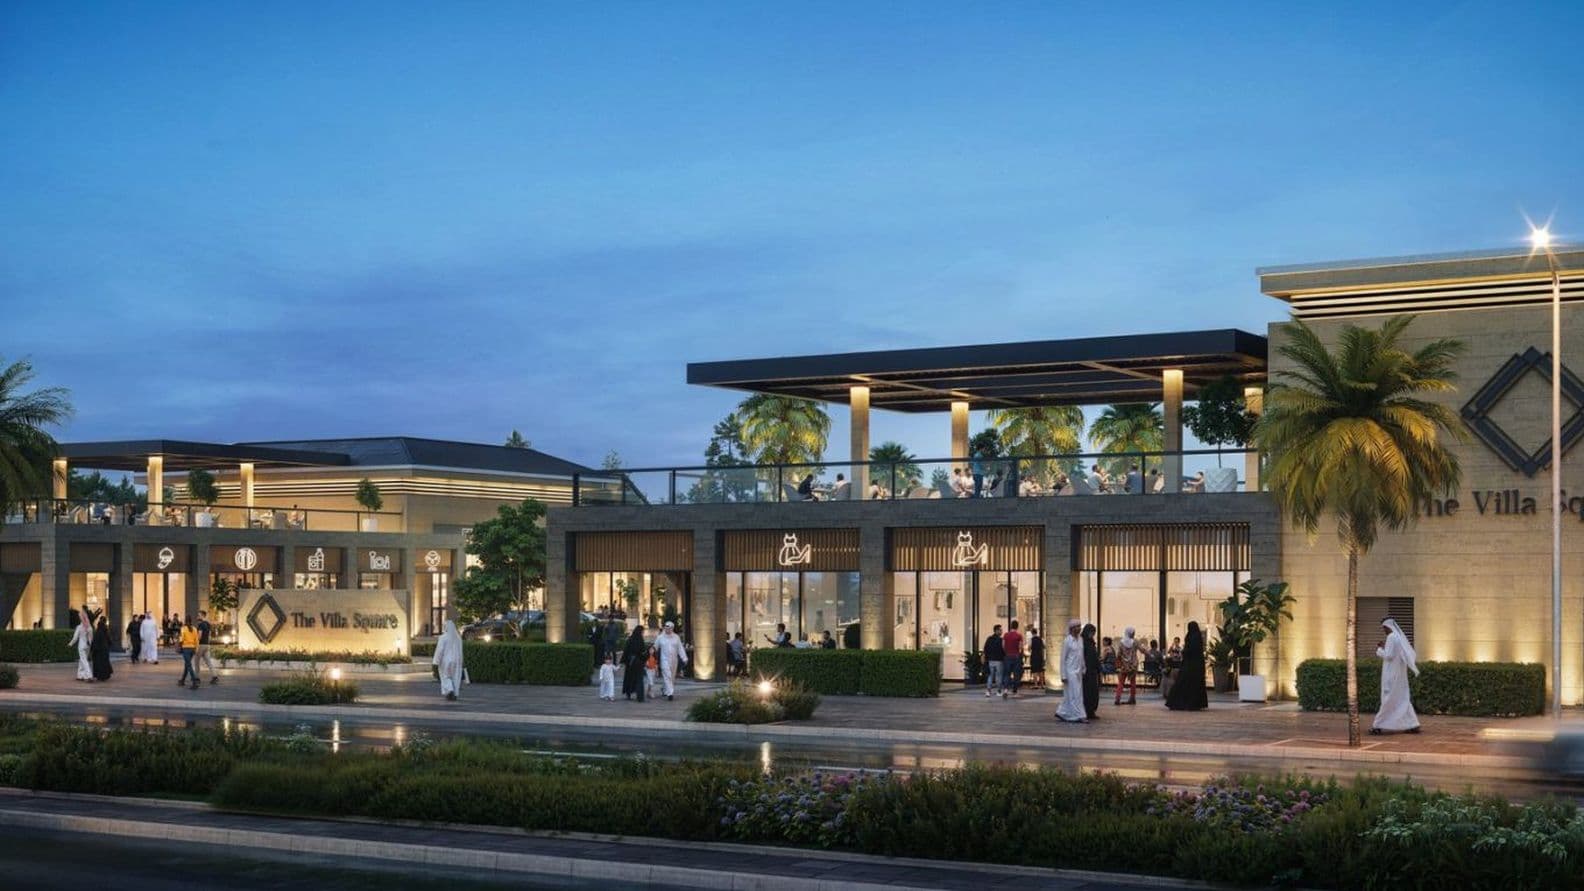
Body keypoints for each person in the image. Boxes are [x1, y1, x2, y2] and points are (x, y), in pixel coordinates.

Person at [1372, 618, 1421, 735]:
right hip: (1399, 675)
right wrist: (1385, 646)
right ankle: (1412, 724)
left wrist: (1379, 650)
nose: (1384, 630)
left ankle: (1378, 725)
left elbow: (1389, 656)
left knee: (1388, 699)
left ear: (1388, 627)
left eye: (1384, 628)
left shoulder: (1391, 637)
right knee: (1402, 699)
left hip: (1391, 675)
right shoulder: (1397, 637)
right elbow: (1394, 653)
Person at [1164, 621, 1208, 711]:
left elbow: (1188, 651)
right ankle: (1195, 704)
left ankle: (1178, 702)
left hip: (1188, 665)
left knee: (1182, 683)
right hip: (1197, 666)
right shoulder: (1198, 638)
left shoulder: (1190, 637)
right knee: (1195, 685)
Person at [1055, 619, 1087, 723]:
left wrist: (1083, 667)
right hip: (1070, 671)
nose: (1079, 629)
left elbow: (1081, 655)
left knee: (1073, 694)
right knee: (1075, 694)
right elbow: (1063, 659)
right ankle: (1079, 715)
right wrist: (1063, 675)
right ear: (1072, 628)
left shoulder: (1080, 639)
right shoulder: (1067, 641)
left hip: (1078, 671)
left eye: (1079, 626)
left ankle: (1062, 712)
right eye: (1077, 626)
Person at [654, 621, 687, 700]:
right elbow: (655, 647)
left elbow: (680, 648)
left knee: (671, 677)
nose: (667, 630)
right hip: (664, 660)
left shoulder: (676, 637)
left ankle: (665, 689)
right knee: (667, 675)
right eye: (666, 628)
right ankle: (670, 693)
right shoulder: (660, 637)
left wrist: (684, 658)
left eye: (669, 628)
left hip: (674, 660)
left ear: (672, 628)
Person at [433, 620, 464, 701]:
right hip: (457, 661)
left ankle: (450, 690)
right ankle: (455, 693)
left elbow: (440, 650)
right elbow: (460, 651)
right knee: (455, 677)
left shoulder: (443, 637)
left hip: (445, 661)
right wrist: (461, 661)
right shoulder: (458, 638)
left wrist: (436, 661)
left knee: (446, 676)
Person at [621, 626, 647, 702]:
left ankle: (628, 693)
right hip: (639, 662)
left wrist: (623, 661)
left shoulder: (630, 639)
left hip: (630, 661)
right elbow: (643, 651)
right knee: (639, 679)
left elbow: (626, 650)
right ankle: (640, 696)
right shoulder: (641, 640)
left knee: (629, 678)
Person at [1114, 626, 1139, 705]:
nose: (1134, 634)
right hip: (1133, 665)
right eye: (1133, 633)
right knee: (1133, 682)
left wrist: (1118, 663)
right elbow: (1142, 650)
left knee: (1121, 682)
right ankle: (1132, 698)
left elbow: (1118, 654)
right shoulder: (1135, 642)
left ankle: (1117, 699)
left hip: (1124, 666)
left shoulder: (1121, 643)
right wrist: (1149, 654)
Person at [1081, 624, 1101, 720]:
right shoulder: (1082, 642)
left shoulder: (1091, 642)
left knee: (1093, 692)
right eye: (1091, 632)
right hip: (1086, 672)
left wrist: (1098, 667)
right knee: (1087, 692)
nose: (1092, 634)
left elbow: (1094, 657)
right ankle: (1086, 711)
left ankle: (1091, 711)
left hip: (1092, 671)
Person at [195, 610, 218, 685]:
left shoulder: (201, 624)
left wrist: (195, 643)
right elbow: (209, 635)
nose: (198, 617)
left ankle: (197, 678)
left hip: (201, 645)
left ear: (202, 616)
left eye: (199, 615)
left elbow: (199, 636)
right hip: (207, 645)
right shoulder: (208, 624)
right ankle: (214, 676)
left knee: (196, 661)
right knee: (208, 661)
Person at [1002, 619, 1024, 696]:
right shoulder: (1019, 636)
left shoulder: (1006, 635)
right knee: (1016, 674)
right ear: (1017, 627)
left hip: (1007, 656)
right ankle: (1015, 691)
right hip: (1016, 656)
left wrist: (1007, 652)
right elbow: (1020, 647)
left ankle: (1005, 690)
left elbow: (1003, 646)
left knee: (1007, 674)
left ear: (1011, 626)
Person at [982, 624, 1005, 698]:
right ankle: (999, 691)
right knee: (999, 676)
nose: (1001, 631)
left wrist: (986, 658)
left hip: (990, 660)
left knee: (990, 676)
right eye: (1000, 630)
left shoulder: (989, 639)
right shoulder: (1001, 640)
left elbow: (985, 649)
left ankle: (988, 691)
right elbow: (1003, 650)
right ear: (996, 630)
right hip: (999, 660)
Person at [68, 612, 93, 681]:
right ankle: (80, 675)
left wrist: (70, 644)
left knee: (83, 660)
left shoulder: (79, 627)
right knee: (82, 660)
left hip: (81, 646)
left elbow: (75, 638)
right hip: (88, 646)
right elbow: (91, 638)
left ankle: (88, 675)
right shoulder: (90, 627)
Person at [177, 618, 200, 690]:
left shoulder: (183, 628)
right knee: (187, 664)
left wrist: (179, 646)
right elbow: (197, 640)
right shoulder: (195, 629)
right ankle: (182, 680)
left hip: (186, 648)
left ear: (185, 622)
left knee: (189, 665)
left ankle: (194, 681)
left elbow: (181, 639)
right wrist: (196, 649)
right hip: (192, 648)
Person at [90, 615, 114, 682]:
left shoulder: (98, 632)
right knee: (105, 663)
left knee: (99, 663)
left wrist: (92, 649)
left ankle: (100, 676)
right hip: (105, 650)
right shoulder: (105, 630)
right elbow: (109, 640)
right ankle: (105, 675)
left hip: (98, 651)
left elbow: (94, 642)